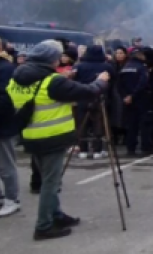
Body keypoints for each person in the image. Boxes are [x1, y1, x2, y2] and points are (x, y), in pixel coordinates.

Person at [6, 40, 109, 240]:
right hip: (51, 137)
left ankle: (56, 214)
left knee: (47, 179)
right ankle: (44, 226)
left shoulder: (17, 78)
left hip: (30, 135)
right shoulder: (52, 81)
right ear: (51, 60)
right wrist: (101, 81)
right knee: (51, 183)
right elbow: (87, 92)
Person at [73, 44, 113, 160]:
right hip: (100, 98)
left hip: (82, 98)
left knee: (82, 125)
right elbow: (113, 80)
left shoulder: (80, 66)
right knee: (98, 124)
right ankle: (98, 149)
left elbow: (75, 80)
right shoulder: (107, 66)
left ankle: (83, 150)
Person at [118, 48, 153, 157]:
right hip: (140, 99)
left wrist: (125, 96)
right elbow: (143, 83)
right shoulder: (142, 67)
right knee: (144, 124)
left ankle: (131, 148)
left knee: (131, 124)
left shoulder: (125, 67)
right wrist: (133, 95)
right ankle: (145, 147)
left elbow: (119, 84)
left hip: (127, 100)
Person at [0, 39, 20, 217]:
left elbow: (6, 99)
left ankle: (12, 199)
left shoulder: (6, 68)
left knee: (6, 165)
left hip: (2, 124)